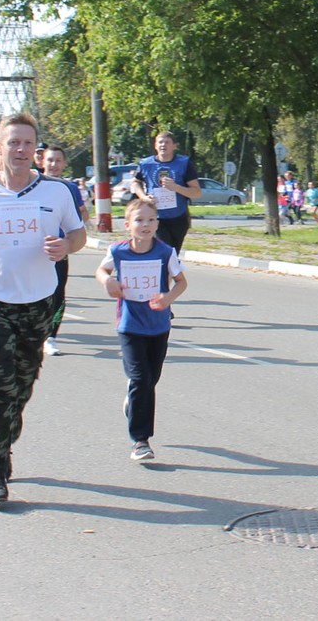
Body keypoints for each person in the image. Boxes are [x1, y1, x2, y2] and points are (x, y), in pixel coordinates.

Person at [0, 112, 86, 504]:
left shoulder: (56, 192)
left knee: (21, 385)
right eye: (13, 143)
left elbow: (77, 232)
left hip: (38, 301)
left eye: (28, 143)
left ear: (35, 150)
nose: (21, 150)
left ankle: (3, 439)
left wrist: (67, 246)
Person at [96, 196, 187, 462]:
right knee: (140, 380)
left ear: (157, 224)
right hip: (130, 325)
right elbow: (101, 270)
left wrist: (167, 298)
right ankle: (140, 440)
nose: (145, 225)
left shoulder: (165, 252)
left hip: (158, 326)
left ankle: (133, 402)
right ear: (127, 225)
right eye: (139, 220)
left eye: (150, 220)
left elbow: (181, 282)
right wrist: (108, 282)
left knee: (150, 380)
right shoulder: (118, 252)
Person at [41, 144, 91, 355]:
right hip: (33, 250)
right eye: (50, 160)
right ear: (42, 162)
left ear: (64, 164)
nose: (54, 165)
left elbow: (81, 216)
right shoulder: (32, 184)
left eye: (58, 161)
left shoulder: (70, 188)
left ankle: (51, 336)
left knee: (58, 291)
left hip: (59, 249)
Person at [130, 131, 201, 254]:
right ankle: (163, 272)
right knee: (164, 251)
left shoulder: (184, 163)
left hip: (178, 216)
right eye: (160, 142)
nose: (163, 145)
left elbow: (197, 192)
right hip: (156, 217)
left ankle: (170, 272)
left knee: (173, 253)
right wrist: (144, 197)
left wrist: (176, 187)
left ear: (174, 146)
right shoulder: (146, 164)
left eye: (167, 142)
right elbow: (135, 183)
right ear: (155, 146)